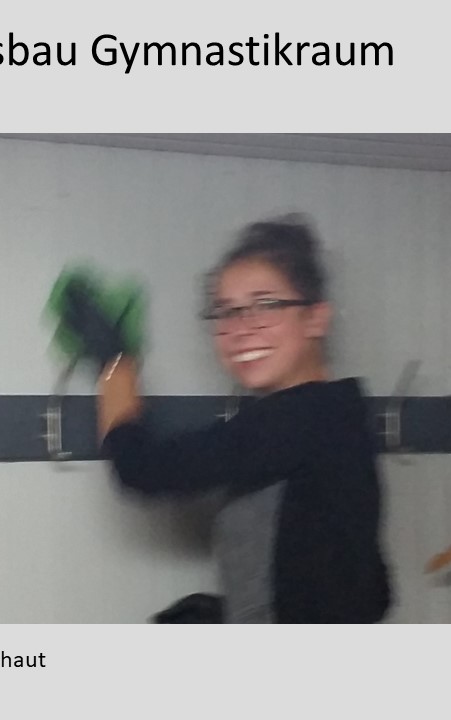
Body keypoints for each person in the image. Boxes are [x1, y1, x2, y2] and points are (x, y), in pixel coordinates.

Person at [64, 214, 391, 623]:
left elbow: (141, 469)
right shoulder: (337, 413)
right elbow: (367, 587)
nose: (241, 329)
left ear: (315, 318)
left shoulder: (303, 418)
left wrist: (115, 362)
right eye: (226, 311)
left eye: (266, 305)